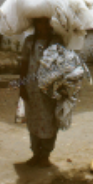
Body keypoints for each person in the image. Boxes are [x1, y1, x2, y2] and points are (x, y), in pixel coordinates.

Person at [19, 17, 63, 167]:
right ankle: (35, 154)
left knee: (49, 121)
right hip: (31, 89)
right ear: (35, 24)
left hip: (49, 90)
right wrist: (22, 86)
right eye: (39, 22)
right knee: (33, 121)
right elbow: (24, 63)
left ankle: (45, 154)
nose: (43, 25)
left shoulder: (56, 42)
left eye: (46, 22)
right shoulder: (29, 42)